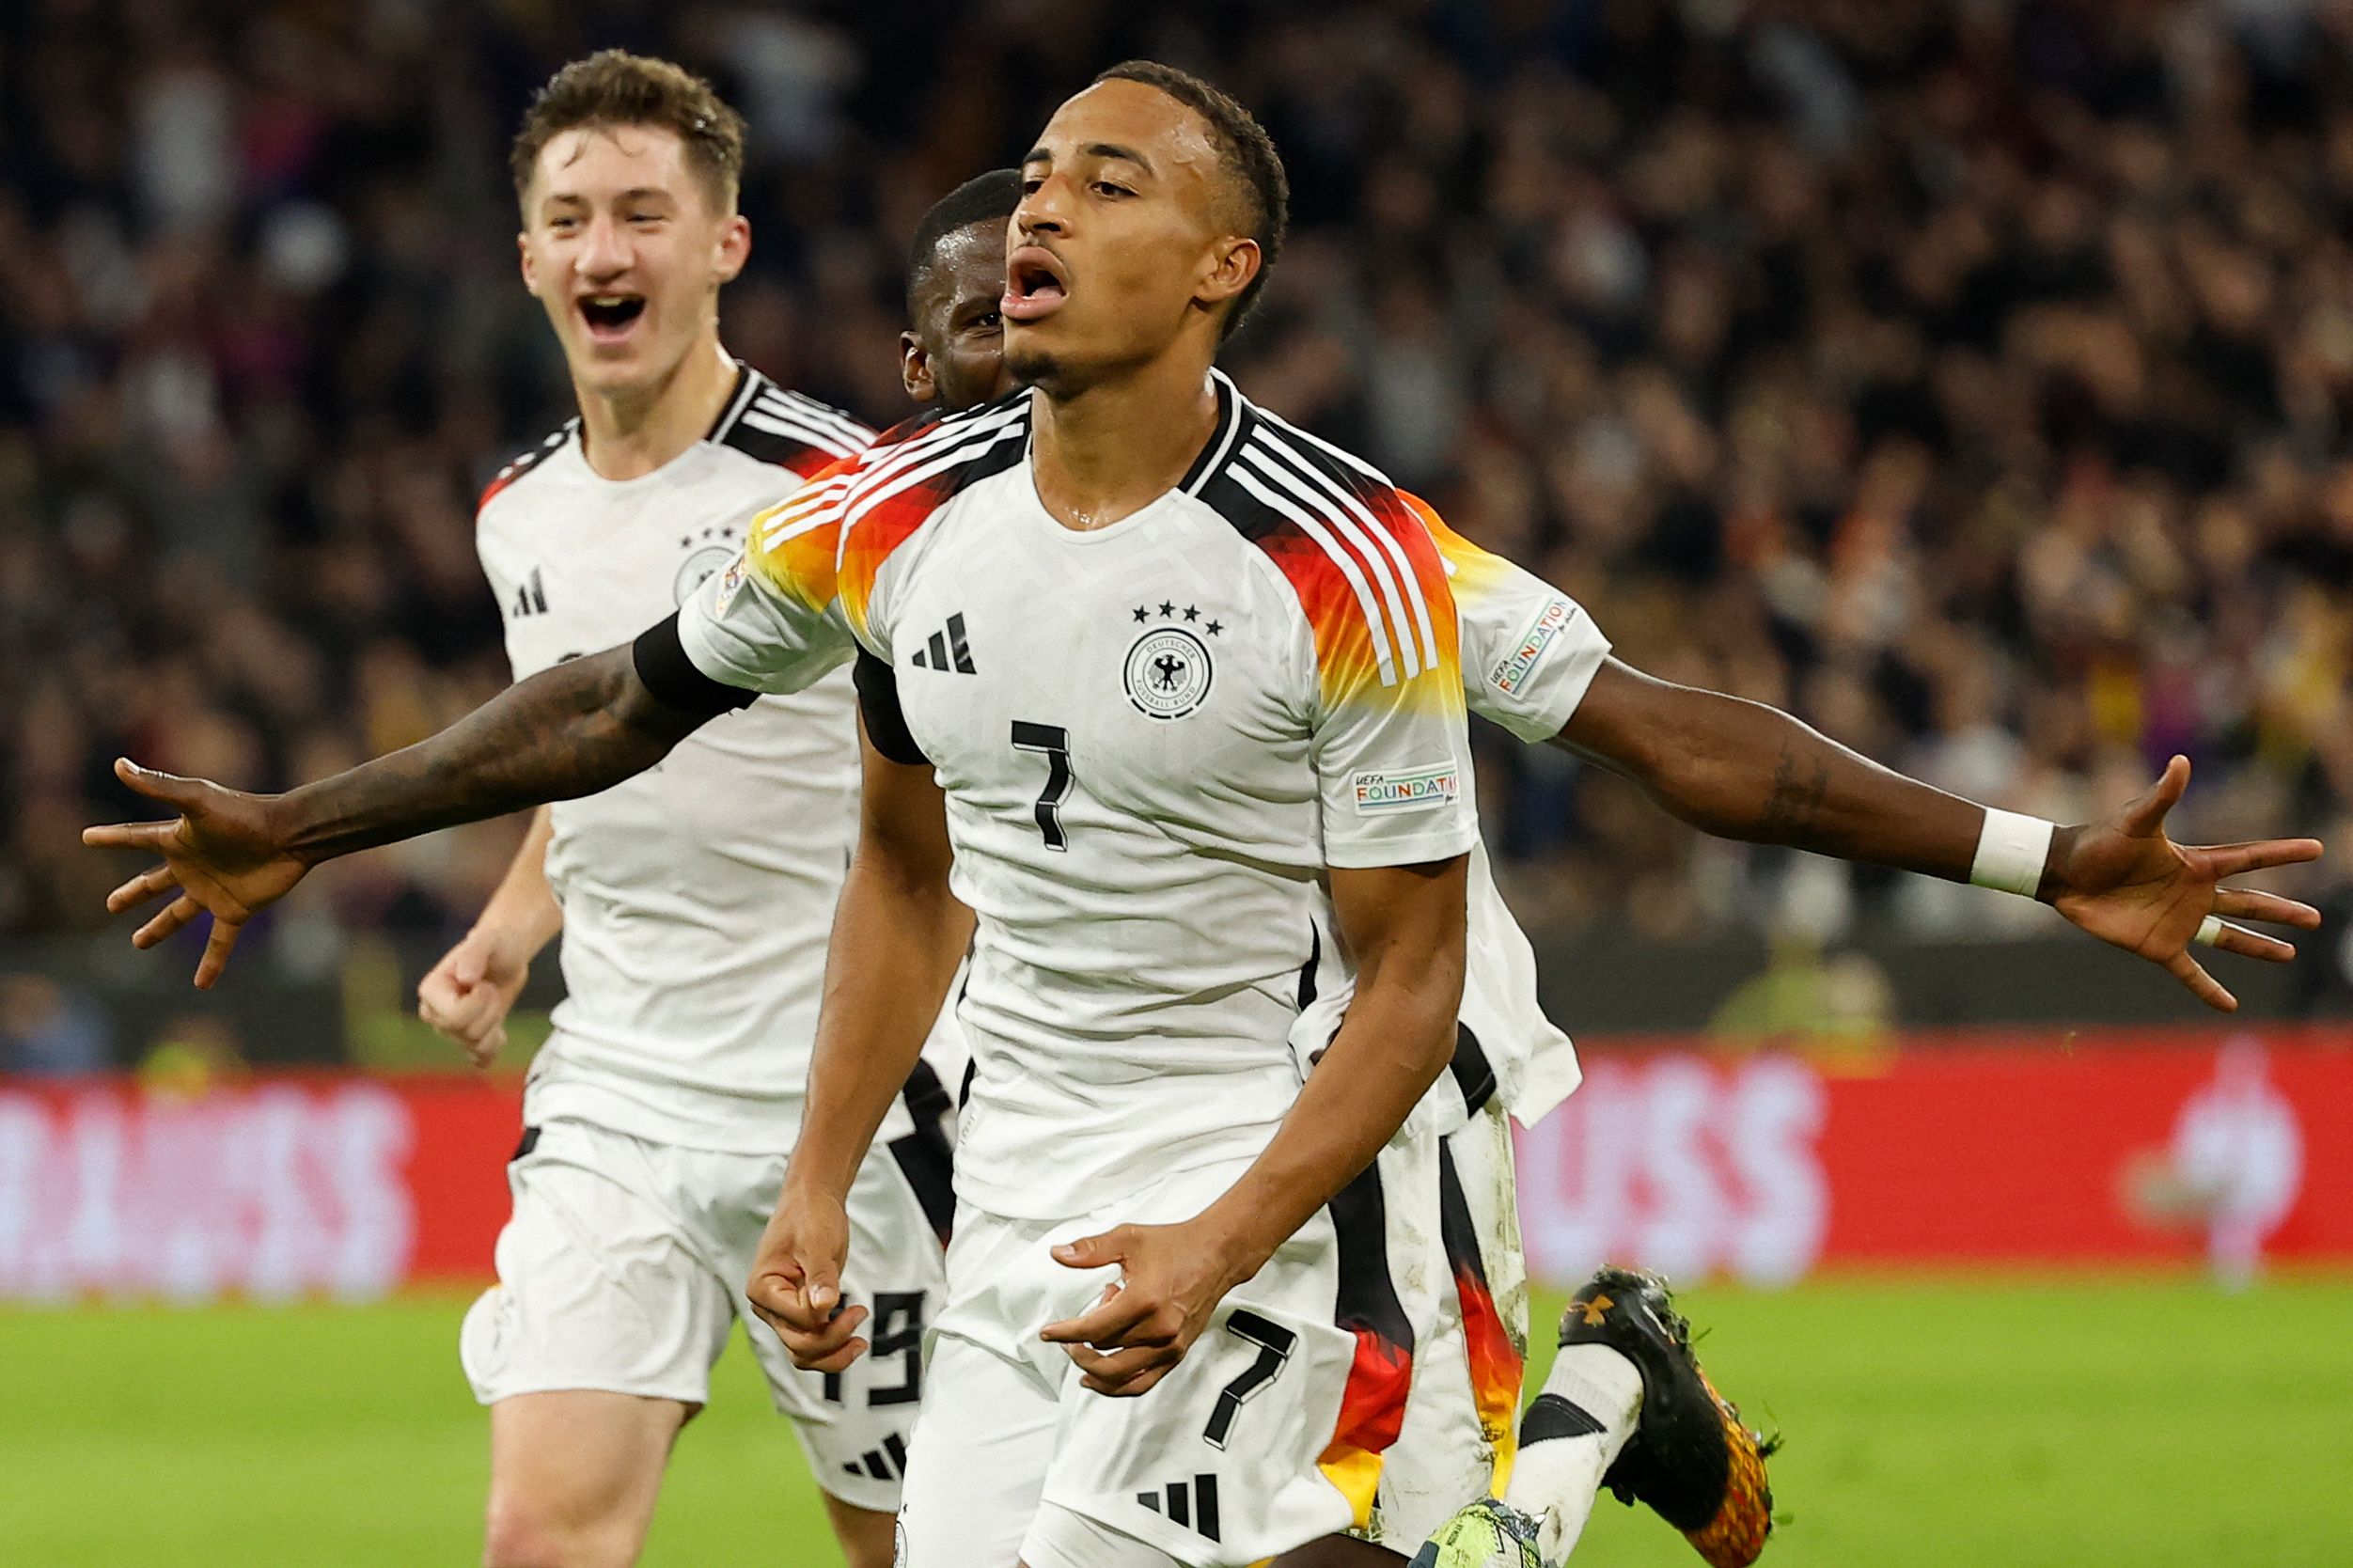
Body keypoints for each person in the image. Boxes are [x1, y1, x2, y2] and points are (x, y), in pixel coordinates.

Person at [82, 59, 2322, 1568]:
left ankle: (1571, 1434)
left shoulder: (1340, 568)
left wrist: (2035, 860)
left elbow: (1638, 771)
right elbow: (620, 711)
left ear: (1222, 267)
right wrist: (310, 818)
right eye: (1027, 185)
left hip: (1294, 1136)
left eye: (1099, 188)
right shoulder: (901, 534)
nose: (1031, 226)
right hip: (1026, 1170)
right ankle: (1597, 1429)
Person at [416, 52, 943, 1568]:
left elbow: (942, 790)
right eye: (571, 218)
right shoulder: (516, 511)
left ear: (725, 245)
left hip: (844, 1105)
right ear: (528, 260)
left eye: (644, 214)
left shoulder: (840, 495)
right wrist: (513, 929)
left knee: (908, 1544)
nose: (605, 250)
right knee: (539, 1541)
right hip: (619, 1101)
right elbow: (585, 759)